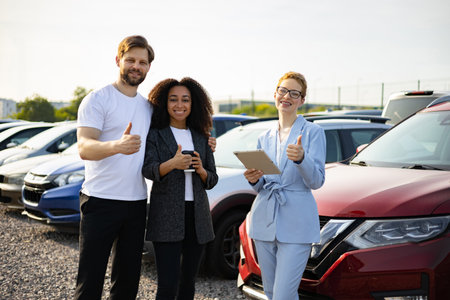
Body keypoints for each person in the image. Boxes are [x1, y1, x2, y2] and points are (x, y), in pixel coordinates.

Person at [74, 35, 155, 300]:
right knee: (90, 281)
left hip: (135, 203)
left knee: (128, 282)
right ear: (118, 60)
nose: (136, 66)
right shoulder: (97, 100)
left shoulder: (147, 107)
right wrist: (116, 146)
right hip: (100, 201)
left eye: (142, 62)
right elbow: (84, 147)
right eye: (130, 60)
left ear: (148, 67)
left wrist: (206, 141)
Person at [243, 71, 326, 300]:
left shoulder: (313, 133)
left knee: (283, 295)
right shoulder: (265, 136)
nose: (286, 96)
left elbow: (317, 181)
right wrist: (254, 179)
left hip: (297, 223)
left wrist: (301, 159)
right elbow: (262, 185)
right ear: (275, 94)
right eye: (282, 90)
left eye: (294, 92)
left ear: (301, 100)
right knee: (270, 293)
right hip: (264, 220)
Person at [142, 77, 218, 300]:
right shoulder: (155, 134)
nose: (179, 105)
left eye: (185, 100)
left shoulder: (201, 136)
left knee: (188, 284)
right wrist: (171, 165)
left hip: (197, 217)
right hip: (166, 216)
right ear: (164, 103)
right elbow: (148, 169)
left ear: (193, 104)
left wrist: (202, 170)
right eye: (173, 99)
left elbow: (212, 179)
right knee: (167, 285)